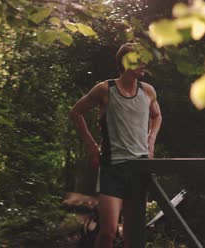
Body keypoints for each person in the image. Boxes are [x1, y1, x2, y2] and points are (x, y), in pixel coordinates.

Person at [70, 43, 162, 248]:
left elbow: (157, 116)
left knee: (132, 236)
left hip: (140, 169)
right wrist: (91, 146)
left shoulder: (148, 91)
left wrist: (151, 139)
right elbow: (76, 112)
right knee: (109, 232)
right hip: (112, 168)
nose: (144, 63)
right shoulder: (105, 89)